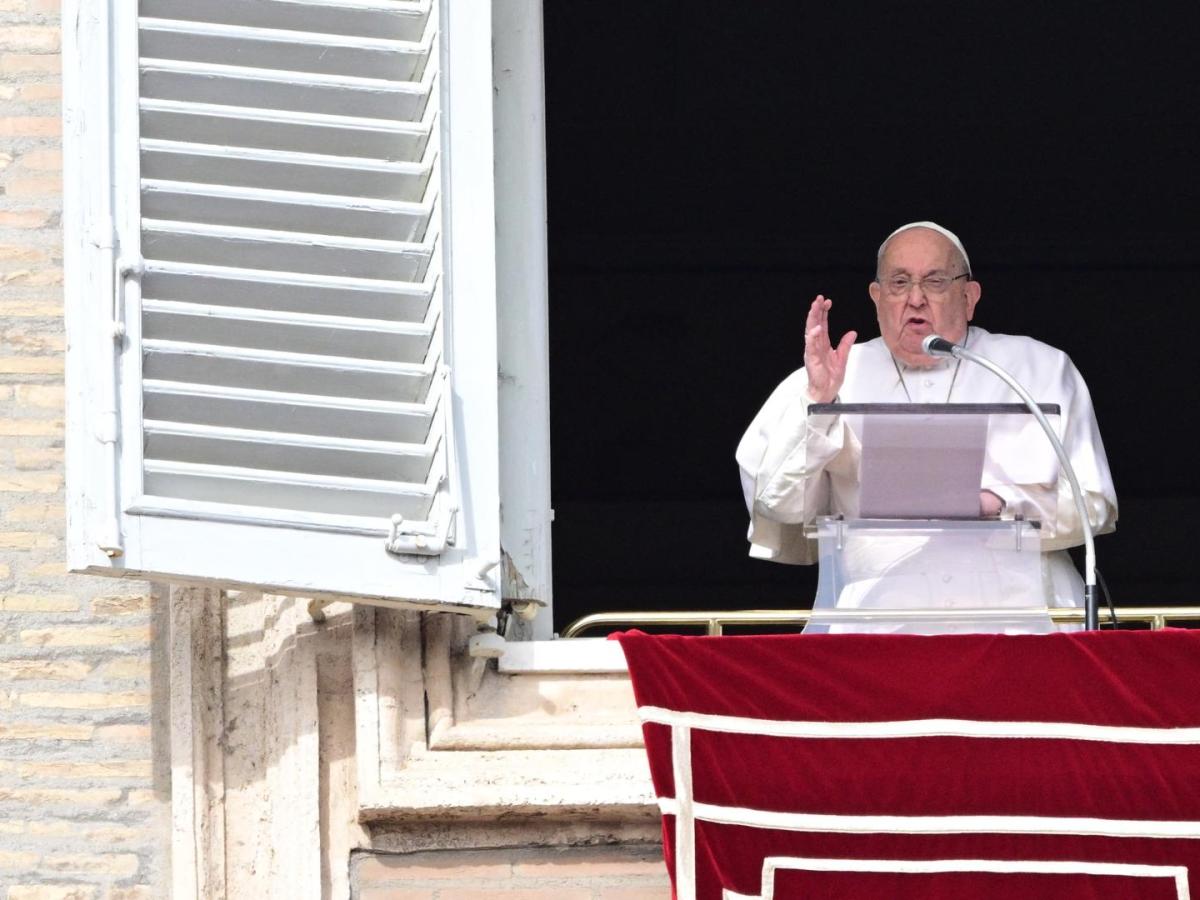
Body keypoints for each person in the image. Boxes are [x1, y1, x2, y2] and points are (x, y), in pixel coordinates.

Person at [735, 221, 1117, 613]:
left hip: (1019, 618)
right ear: (877, 296)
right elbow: (778, 507)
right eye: (899, 283)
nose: (915, 299)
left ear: (969, 296)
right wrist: (820, 403)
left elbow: (1094, 506)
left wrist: (996, 504)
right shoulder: (826, 377)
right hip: (877, 622)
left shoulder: (1038, 369)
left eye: (935, 281)